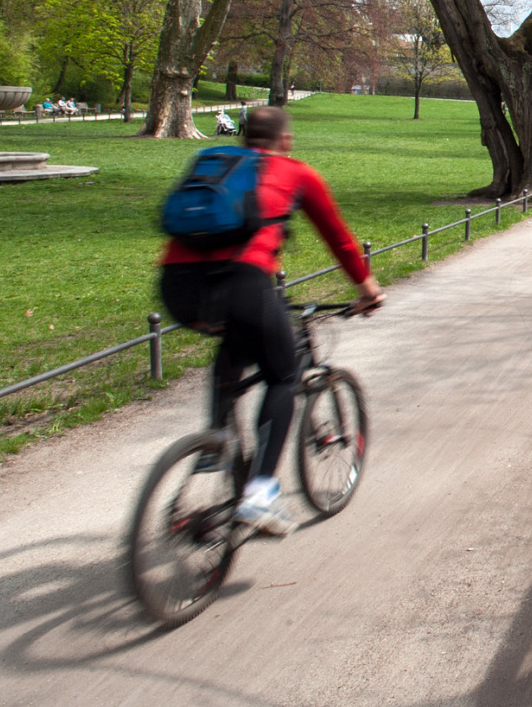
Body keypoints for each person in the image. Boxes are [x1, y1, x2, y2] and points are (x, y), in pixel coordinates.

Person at [158, 106, 384, 535]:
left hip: (178, 287)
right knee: (282, 374)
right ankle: (260, 494)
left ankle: (215, 446)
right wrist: (367, 288)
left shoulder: (214, 163)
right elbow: (337, 236)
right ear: (286, 140)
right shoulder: (295, 172)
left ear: (245, 137)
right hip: (243, 282)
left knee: (236, 345)